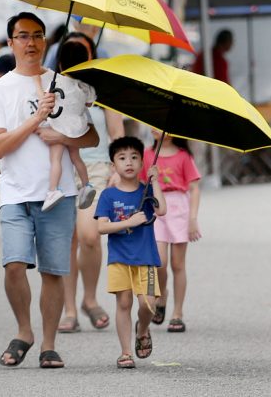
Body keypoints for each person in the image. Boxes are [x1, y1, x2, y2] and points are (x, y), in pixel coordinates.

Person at [0, 12, 100, 369]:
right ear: (11, 42)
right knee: (14, 265)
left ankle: (49, 344)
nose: (30, 43)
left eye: (37, 35)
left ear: (45, 41)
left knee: (53, 271)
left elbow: (90, 136)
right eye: (22, 36)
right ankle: (23, 331)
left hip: (57, 194)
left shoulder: (65, 83)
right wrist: (36, 118)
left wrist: (60, 135)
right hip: (15, 193)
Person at [53, 32, 125, 334]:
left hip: (96, 167)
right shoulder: (52, 86)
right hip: (60, 165)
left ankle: (90, 299)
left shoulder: (105, 89)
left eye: (83, 53)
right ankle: (69, 308)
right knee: (66, 239)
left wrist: (119, 168)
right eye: (71, 53)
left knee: (89, 235)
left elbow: (116, 131)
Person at [95, 136, 167, 369]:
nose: (129, 162)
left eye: (135, 157)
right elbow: (101, 227)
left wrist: (155, 182)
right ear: (113, 165)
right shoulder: (108, 195)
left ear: (142, 163)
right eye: (122, 157)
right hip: (119, 258)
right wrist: (130, 222)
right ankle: (126, 352)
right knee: (123, 303)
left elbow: (162, 210)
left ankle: (142, 329)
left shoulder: (146, 192)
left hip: (145, 258)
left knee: (148, 305)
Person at [142, 131, 202, 333]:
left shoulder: (184, 156)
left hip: (179, 210)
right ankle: (162, 294)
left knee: (178, 264)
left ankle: (178, 313)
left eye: (159, 126)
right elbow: (140, 184)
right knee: (160, 262)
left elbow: (194, 188)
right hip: (156, 207)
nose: (154, 129)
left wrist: (193, 218)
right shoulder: (147, 155)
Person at [39, 36, 97, 213]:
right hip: (77, 127)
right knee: (76, 157)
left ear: (61, 63)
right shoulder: (85, 85)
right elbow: (89, 103)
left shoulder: (55, 80)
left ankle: (53, 190)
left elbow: (46, 98)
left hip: (58, 124)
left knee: (55, 159)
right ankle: (86, 185)